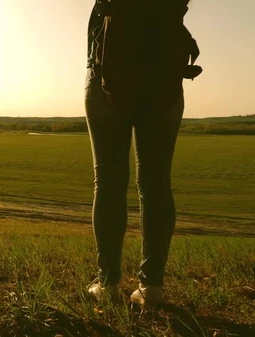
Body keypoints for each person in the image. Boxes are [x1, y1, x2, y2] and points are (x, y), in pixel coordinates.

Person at [84, 1, 200, 305]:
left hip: (107, 68)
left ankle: (108, 283)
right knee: (156, 182)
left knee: (108, 181)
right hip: (164, 71)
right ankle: (152, 287)